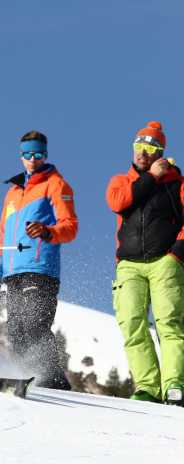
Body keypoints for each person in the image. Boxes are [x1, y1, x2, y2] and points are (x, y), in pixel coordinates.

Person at [0, 130, 78, 390]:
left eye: (38, 154)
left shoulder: (56, 185)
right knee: (16, 332)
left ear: (45, 155)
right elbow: (4, 236)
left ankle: (53, 382)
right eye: (28, 154)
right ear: (21, 156)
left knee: (35, 325)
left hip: (40, 269)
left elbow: (71, 226)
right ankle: (28, 380)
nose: (33, 159)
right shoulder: (12, 193)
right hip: (13, 272)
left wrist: (48, 231)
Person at [106, 121, 184, 406]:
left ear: (160, 152)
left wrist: (176, 254)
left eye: (150, 148)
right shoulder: (121, 181)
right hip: (129, 264)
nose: (142, 152)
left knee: (169, 323)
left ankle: (174, 384)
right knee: (131, 323)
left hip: (165, 262)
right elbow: (118, 202)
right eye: (138, 146)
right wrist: (151, 176)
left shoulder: (177, 184)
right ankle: (148, 387)